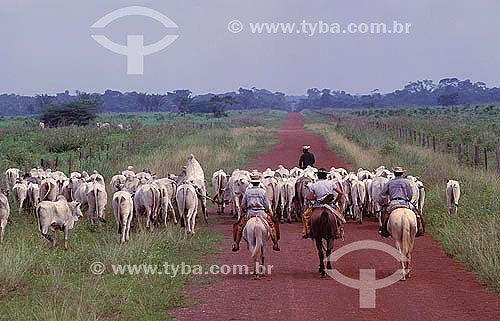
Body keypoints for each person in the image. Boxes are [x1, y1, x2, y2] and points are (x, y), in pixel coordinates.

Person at [232, 174, 280, 252]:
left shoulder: (248, 192)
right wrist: (267, 209)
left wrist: (244, 209)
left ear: (251, 183)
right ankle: (275, 243)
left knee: (240, 226)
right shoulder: (263, 191)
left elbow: (243, 204)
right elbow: (267, 205)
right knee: (272, 225)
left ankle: (236, 243)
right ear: (258, 183)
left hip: (250, 213)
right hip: (262, 213)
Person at [377, 167, 425, 237]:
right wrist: (409, 200)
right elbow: (410, 194)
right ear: (402, 173)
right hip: (404, 202)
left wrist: (381, 203)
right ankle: (420, 229)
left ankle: (383, 230)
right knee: (417, 213)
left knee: (385, 214)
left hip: (393, 203)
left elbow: (382, 194)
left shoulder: (389, 182)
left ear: (394, 173)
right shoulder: (406, 182)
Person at [302, 168, 345, 239]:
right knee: (339, 217)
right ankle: (338, 231)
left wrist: (316, 198)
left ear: (318, 176)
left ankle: (308, 231)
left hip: (317, 205)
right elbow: (340, 192)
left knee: (306, 216)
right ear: (326, 176)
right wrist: (335, 202)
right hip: (330, 205)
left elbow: (311, 198)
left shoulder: (314, 185)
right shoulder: (331, 183)